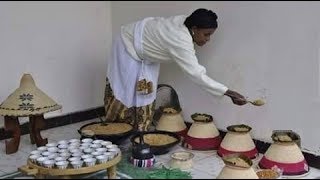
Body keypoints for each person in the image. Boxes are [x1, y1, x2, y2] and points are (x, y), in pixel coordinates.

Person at [104, 8, 247, 131]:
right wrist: (229, 93)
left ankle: (139, 132)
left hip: (146, 51)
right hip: (127, 44)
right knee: (124, 91)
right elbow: (197, 74)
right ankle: (115, 131)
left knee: (145, 92)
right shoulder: (180, 39)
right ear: (194, 29)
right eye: (206, 34)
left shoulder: (186, 22)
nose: (208, 39)